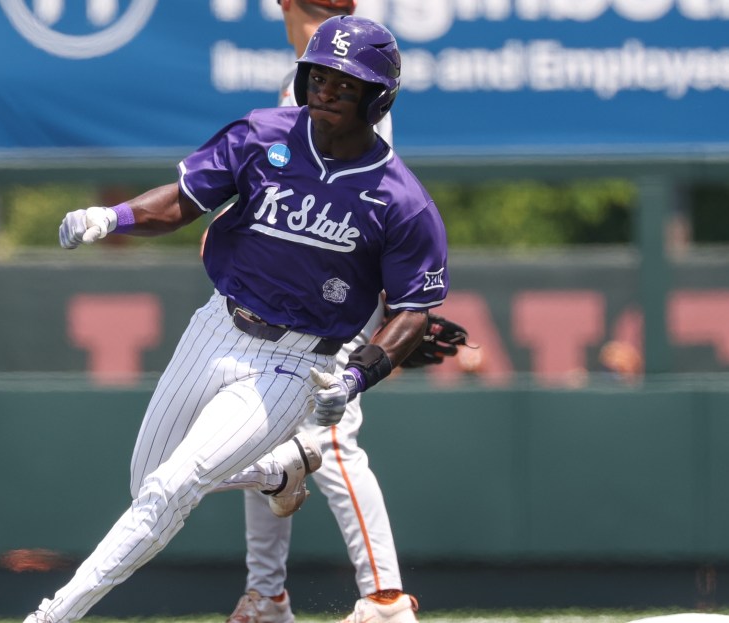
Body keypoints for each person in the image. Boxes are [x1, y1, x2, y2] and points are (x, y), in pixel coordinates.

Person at [26, 15, 447, 623]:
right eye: (319, 78)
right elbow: (184, 200)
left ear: (377, 98)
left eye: (345, 84)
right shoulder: (262, 133)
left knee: (172, 488)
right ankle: (276, 470)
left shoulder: (401, 198)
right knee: (147, 484)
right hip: (217, 327)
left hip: (297, 358)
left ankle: (54, 614)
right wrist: (112, 218)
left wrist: (357, 377)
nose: (326, 91)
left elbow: (413, 311)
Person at [226, 2, 426, 622]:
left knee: (330, 438)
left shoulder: (333, 81)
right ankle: (266, 595)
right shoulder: (337, 76)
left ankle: (385, 598)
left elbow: (363, 195)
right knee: (262, 427)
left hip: (329, 290)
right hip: (309, 283)